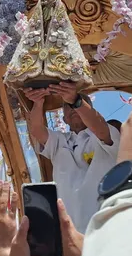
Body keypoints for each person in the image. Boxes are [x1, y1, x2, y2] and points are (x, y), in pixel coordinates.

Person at [23, 81, 120, 234]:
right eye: (67, 106)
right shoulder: (59, 141)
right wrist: (37, 102)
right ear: (64, 120)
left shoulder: (105, 134)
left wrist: (76, 100)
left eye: (78, 105)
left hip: (106, 229)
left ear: (90, 110)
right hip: (70, 232)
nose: (72, 107)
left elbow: (101, 130)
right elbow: (37, 131)